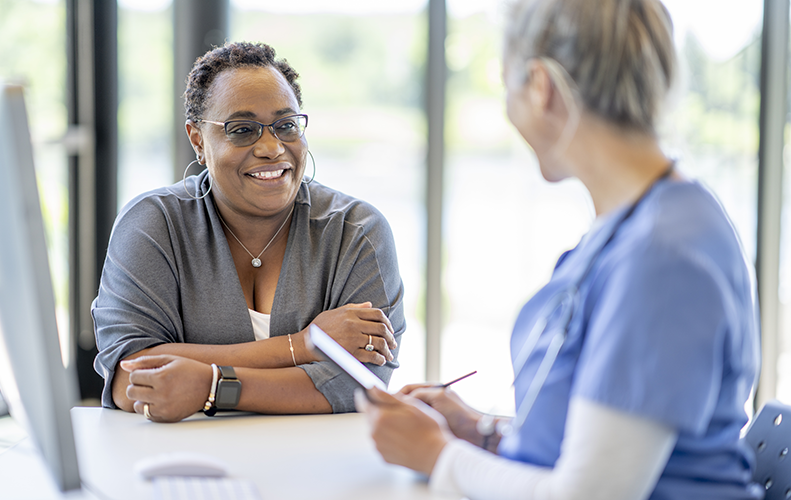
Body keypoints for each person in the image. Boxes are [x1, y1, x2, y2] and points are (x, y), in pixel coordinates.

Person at [358, 0, 762, 498]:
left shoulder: (662, 257)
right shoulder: (638, 224)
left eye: (506, 84)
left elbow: (589, 494)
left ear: (540, 87)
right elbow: (602, 443)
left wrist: (439, 456)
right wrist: (482, 432)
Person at [92, 41, 404, 423]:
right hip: (183, 462)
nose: (272, 148)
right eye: (242, 130)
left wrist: (208, 387)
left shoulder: (357, 232)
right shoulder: (153, 225)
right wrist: (303, 346)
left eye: (286, 125)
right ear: (198, 141)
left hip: (320, 466)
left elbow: (360, 382)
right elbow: (131, 377)